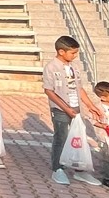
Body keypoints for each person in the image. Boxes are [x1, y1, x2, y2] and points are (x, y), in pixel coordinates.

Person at [42, 36, 103, 188]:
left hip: (76, 109)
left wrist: (90, 105)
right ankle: (58, 169)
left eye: (76, 53)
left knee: (78, 138)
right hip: (61, 109)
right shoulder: (51, 67)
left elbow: (79, 88)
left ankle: (80, 169)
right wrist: (66, 108)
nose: (75, 56)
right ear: (61, 52)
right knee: (61, 137)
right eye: (72, 53)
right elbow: (49, 91)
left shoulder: (74, 67)